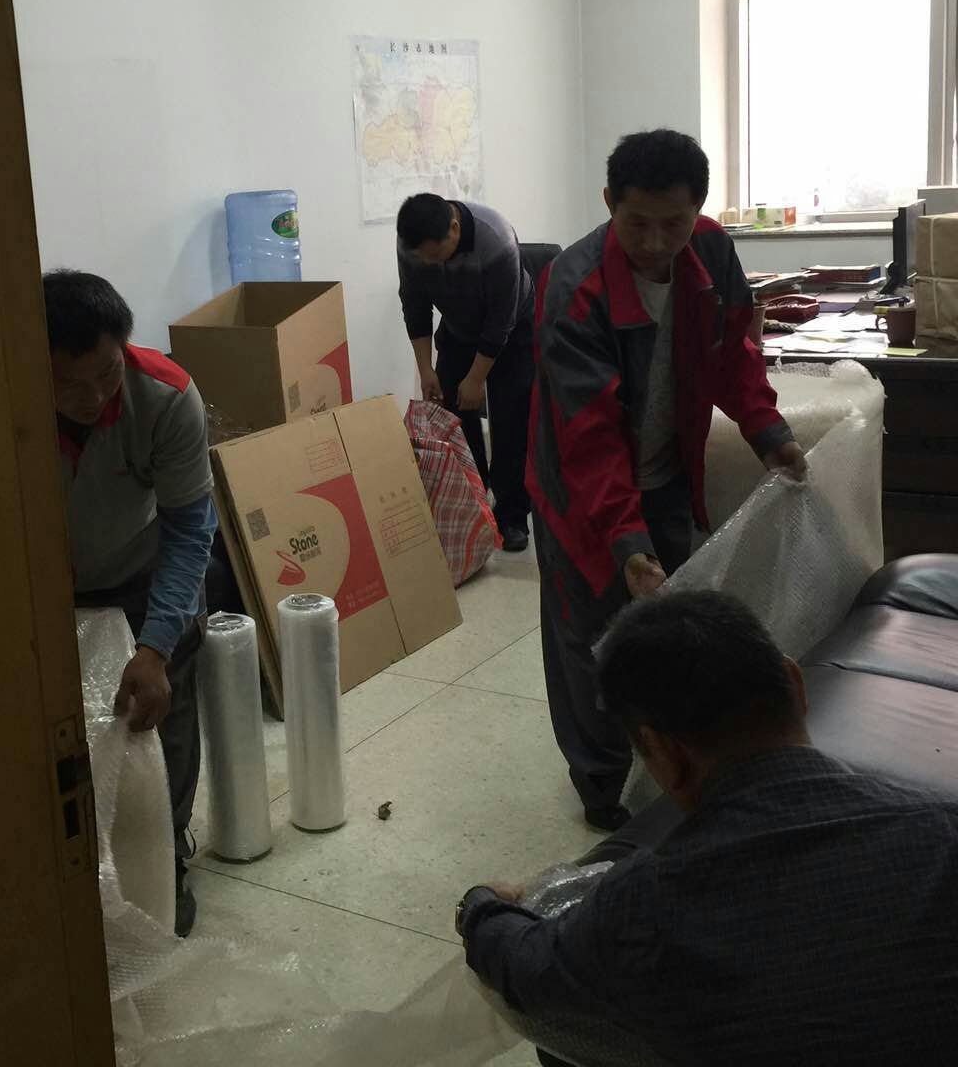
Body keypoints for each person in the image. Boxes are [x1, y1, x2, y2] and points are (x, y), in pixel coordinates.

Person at [458, 590, 958, 1067]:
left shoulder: (642, 908)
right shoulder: (943, 829)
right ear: (795, 685)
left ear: (664, 753)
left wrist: (481, 906)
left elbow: (525, 967)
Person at [528, 129, 805, 831]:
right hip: (582, 498)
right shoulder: (574, 287)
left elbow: (733, 353)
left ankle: (675, 770)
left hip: (667, 475)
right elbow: (588, 438)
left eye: (673, 224)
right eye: (637, 224)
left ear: (699, 211)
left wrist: (768, 432)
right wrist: (627, 542)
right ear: (608, 204)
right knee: (595, 643)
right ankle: (601, 791)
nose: (655, 243)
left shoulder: (709, 252)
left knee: (670, 635)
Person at [44, 269, 216, 937]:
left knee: (158, 722)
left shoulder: (167, 396)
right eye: (70, 384)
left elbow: (188, 531)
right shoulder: (2, 399)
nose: (93, 398)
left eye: (107, 374)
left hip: (144, 575)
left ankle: (165, 861)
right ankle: (76, 872)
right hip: (50, 586)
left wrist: (155, 646)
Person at [397, 193, 535, 551]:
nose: (430, 263)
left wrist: (475, 379)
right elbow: (415, 306)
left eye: (436, 255)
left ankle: (512, 514)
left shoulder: (497, 239)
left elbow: (501, 323)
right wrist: (425, 370)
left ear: (455, 229)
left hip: (512, 331)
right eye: (423, 258)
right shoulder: (412, 245)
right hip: (459, 328)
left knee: (511, 421)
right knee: (455, 416)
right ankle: (473, 502)